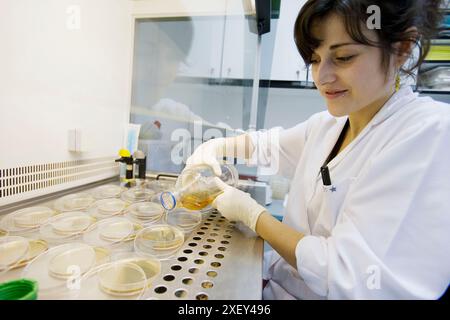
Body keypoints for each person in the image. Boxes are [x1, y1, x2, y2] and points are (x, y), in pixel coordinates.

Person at [185, 0, 450, 299]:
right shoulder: (329, 125)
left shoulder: (429, 133)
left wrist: (253, 215)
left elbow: (345, 272)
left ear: (401, 49)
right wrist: (217, 146)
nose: (322, 77)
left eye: (344, 57)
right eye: (314, 58)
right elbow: (268, 146)